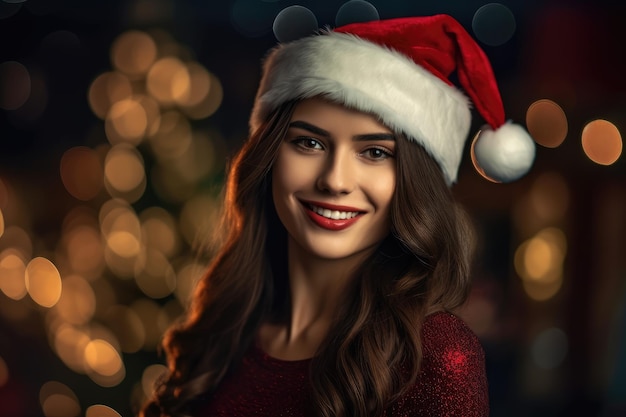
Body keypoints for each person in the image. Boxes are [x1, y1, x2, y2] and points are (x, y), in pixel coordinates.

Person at [141, 13, 535, 417]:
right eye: (309, 143)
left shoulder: (434, 356)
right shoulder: (226, 325)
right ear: (270, 157)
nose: (335, 180)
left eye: (375, 152)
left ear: (413, 183)